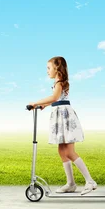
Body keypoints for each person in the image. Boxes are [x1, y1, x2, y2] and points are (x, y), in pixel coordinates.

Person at [29, 56, 97, 195]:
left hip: (64, 118)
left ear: (57, 68)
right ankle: (71, 183)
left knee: (69, 152)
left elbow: (55, 97)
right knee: (62, 151)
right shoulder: (58, 82)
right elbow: (57, 100)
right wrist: (44, 105)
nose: (47, 71)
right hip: (60, 116)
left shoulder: (59, 82)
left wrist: (36, 102)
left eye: (49, 68)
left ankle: (90, 181)